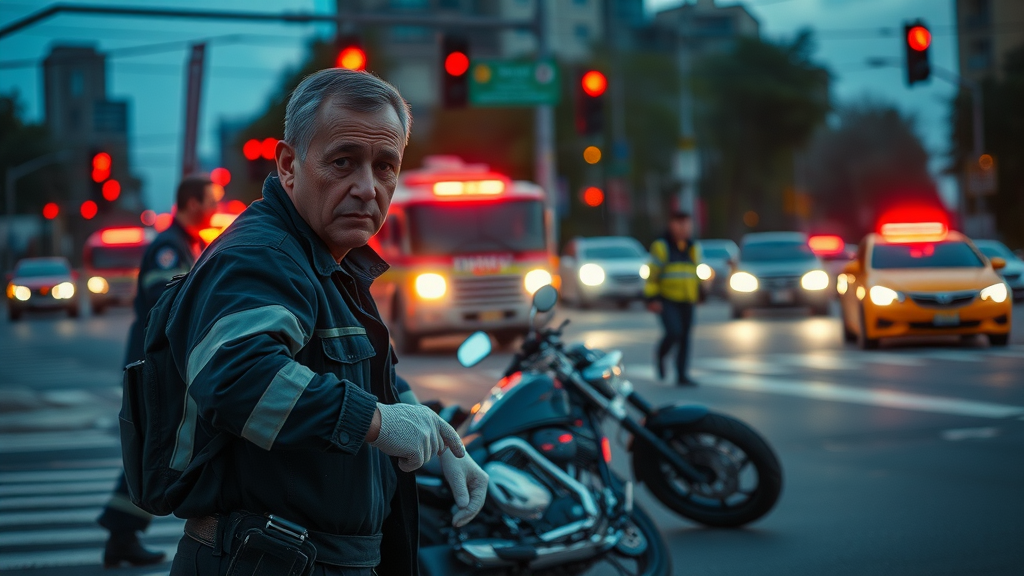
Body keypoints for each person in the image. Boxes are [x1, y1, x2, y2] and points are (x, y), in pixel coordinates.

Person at [164, 68, 487, 575]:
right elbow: (239, 380)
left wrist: (441, 437)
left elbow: (369, 377)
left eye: (385, 166)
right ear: (289, 165)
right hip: (265, 562)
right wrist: (377, 424)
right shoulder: (261, 257)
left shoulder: (328, 262)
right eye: (343, 162)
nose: (367, 187)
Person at [97, 174, 218, 568]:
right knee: (154, 448)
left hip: (164, 366)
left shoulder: (187, 244)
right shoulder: (169, 248)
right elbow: (165, 305)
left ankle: (121, 532)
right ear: (193, 203)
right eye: (211, 200)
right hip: (154, 368)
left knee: (154, 448)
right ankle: (121, 531)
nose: (216, 207)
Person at [644, 211, 702, 386]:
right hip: (667, 299)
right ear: (671, 225)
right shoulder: (662, 247)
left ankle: (682, 374)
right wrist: (652, 298)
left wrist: (701, 291)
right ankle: (661, 355)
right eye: (680, 223)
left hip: (687, 299)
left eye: (687, 223)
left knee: (685, 337)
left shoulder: (693, 247)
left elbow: (696, 272)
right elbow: (652, 275)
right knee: (673, 332)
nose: (684, 227)